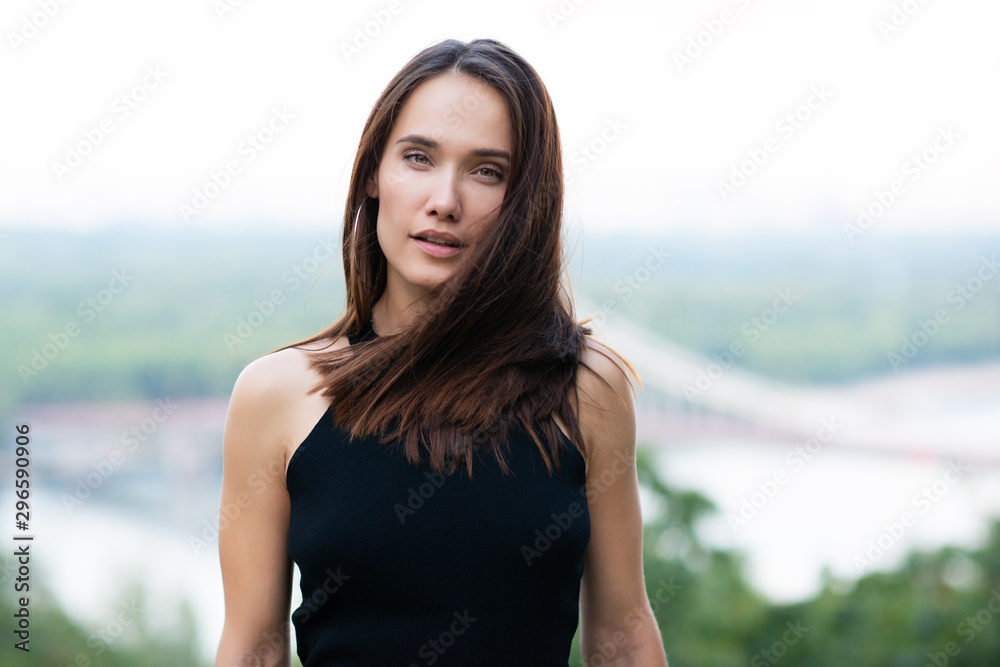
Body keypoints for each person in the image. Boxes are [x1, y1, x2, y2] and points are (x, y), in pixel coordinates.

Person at [215, 38, 668, 667]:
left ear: (525, 201)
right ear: (374, 172)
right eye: (419, 157)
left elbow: (621, 638)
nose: (445, 200)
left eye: (488, 170)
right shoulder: (278, 394)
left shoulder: (585, 389)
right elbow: (255, 649)